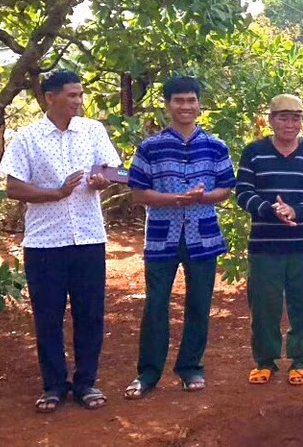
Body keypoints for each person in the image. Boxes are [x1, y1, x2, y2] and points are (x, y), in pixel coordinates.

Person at [0, 69, 120, 412]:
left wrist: (102, 180)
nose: (79, 101)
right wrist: (57, 192)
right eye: (71, 95)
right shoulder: (28, 137)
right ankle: (53, 386)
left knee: (90, 313)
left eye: (80, 94)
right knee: (48, 316)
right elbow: (14, 187)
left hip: (88, 238)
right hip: (44, 244)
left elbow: (111, 171)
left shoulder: (93, 130)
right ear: (49, 97)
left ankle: (86, 384)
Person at [124, 76, 236, 399]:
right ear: (167, 104)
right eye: (179, 101)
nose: (185, 106)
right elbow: (138, 193)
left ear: (199, 104)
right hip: (161, 238)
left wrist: (203, 197)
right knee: (156, 304)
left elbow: (226, 188)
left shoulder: (215, 146)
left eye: (191, 100)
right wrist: (174, 200)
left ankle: (190, 368)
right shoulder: (150, 147)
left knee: (199, 303)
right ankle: (148, 373)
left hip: (203, 237)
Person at [236, 94, 303, 386]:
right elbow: (243, 192)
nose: (290, 124)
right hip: (264, 244)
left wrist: (296, 210)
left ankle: (300, 359)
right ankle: (265, 360)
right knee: (264, 304)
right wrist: (271, 209)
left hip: (302, 243)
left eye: (296, 117)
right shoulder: (254, 152)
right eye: (283, 117)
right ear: (271, 119)